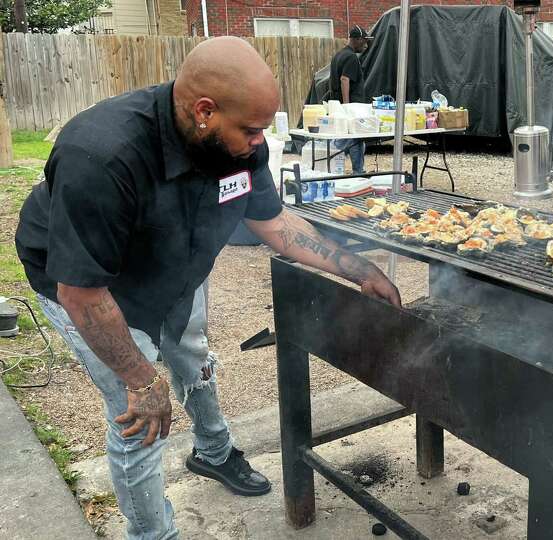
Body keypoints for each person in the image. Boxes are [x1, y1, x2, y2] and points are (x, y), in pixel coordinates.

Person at [14, 37, 400, 540]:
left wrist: (358, 269)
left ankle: (213, 452)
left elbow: (273, 221)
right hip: (88, 287)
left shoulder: (238, 146)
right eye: (251, 130)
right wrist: (141, 379)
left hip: (174, 267)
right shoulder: (102, 155)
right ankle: (153, 534)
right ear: (204, 111)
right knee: (140, 420)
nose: (261, 143)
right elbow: (82, 293)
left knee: (192, 354)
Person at [329, 24, 373, 174]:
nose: (366, 44)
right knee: (356, 139)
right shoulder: (351, 57)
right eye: (364, 41)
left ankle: (354, 169)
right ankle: (358, 171)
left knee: (351, 138)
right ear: (357, 39)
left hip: (339, 106)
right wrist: (347, 106)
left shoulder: (339, 55)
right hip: (351, 107)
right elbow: (344, 79)